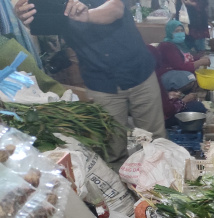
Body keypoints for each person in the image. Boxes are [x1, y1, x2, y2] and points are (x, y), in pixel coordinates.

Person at [14, 0, 165, 167]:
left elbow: (116, 8)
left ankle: (162, 187)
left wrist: (87, 15)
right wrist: (26, 15)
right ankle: (122, 191)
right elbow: (41, 22)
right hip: (101, 83)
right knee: (112, 152)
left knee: (155, 142)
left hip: (139, 73)